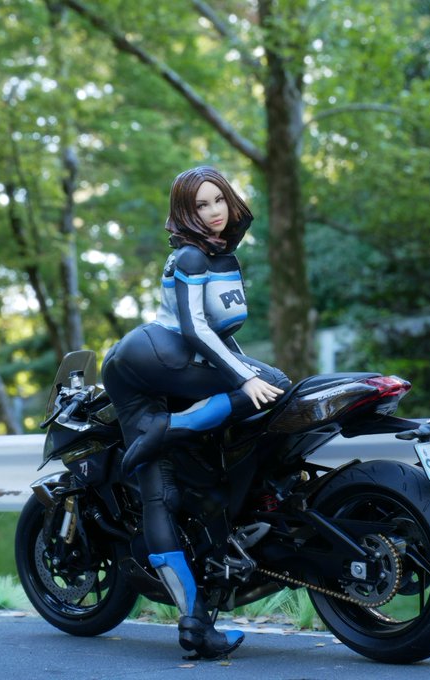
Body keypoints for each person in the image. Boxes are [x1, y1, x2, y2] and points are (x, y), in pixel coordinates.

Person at [102, 166, 291, 659]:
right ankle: (167, 430)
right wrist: (244, 378)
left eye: (218, 200)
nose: (213, 212)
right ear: (185, 212)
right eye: (200, 205)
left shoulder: (222, 256)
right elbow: (194, 328)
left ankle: (194, 625)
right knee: (273, 382)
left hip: (175, 360)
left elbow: (222, 333)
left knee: (161, 496)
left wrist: (245, 369)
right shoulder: (190, 255)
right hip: (150, 359)